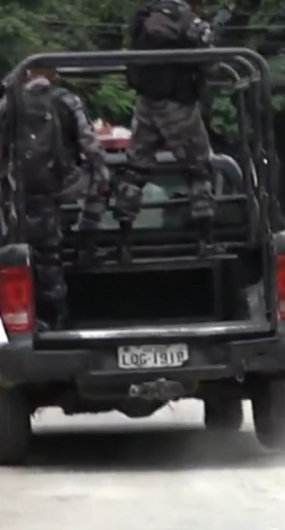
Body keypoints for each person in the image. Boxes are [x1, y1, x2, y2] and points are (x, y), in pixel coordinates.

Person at [0, 67, 110, 329]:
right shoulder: (66, 100)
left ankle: (48, 319)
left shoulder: (8, 103)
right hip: (62, 188)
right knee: (102, 177)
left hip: (22, 196)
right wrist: (100, 172)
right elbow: (90, 147)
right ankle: (87, 239)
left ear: (26, 74)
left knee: (35, 254)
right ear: (55, 76)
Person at [121, 0, 218, 262]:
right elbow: (211, 65)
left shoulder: (144, 13)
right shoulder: (191, 23)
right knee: (199, 171)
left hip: (145, 103)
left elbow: (132, 51)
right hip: (178, 104)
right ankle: (205, 241)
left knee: (135, 173)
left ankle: (123, 242)